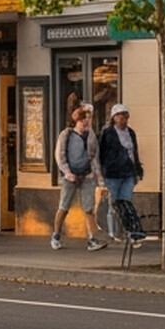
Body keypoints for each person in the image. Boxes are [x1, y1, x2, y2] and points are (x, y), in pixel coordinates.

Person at [51, 105, 106, 251]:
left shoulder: (91, 136)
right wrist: (67, 172)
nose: (85, 122)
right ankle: (56, 236)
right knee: (64, 206)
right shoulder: (66, 135)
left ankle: (92, 239)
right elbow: (60, 155)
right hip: (70, 176)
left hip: (87, 175)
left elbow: (94, 157)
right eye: (83, 120)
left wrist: (97, 176)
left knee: (88, 208)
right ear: (76, 120)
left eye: (88, 119)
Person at [96, 104, 145, 241]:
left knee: (126, 202)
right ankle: (113, 232)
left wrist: (137, 169)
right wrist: (102, 171)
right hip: (112, 173)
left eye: (124, 116)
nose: (122, 119)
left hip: (128, 172)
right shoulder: (107, 133)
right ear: (113, 118)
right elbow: (101, 153)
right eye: (118, 116)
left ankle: (128, 230)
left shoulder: (131, 133)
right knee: (113, 204)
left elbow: (134, 152)